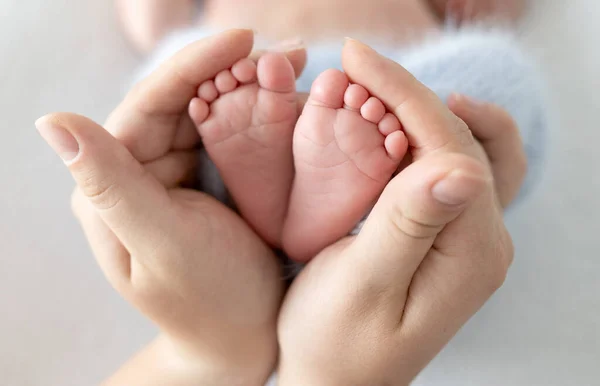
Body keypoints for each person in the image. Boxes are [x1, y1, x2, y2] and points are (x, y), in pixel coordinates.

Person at [37, 29, 525, 385]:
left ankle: (283, 212)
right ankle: (351, 210)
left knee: (181, 62)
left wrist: (212, 352)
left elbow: (150, 23)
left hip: (244, 87)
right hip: (393, 94)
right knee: (490, 76)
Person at [120, 0, 545, 262]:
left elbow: (486, 10)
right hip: (256, 80)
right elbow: (154, 26)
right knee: (182, 63)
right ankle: (319, 206)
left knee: (494, 69)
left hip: (408, 77)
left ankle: (300, 211)